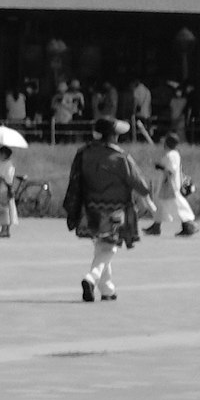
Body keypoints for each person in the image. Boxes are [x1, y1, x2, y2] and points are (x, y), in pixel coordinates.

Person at [65, 116, 140, 301]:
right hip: (114, 210)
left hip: (89, 209)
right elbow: (138, 182)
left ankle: (107, 288)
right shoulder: (120, 156)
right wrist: (148, 200)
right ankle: (91, 278)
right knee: (109, 247)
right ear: (112, 136)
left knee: (101, 246)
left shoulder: (84, 153)